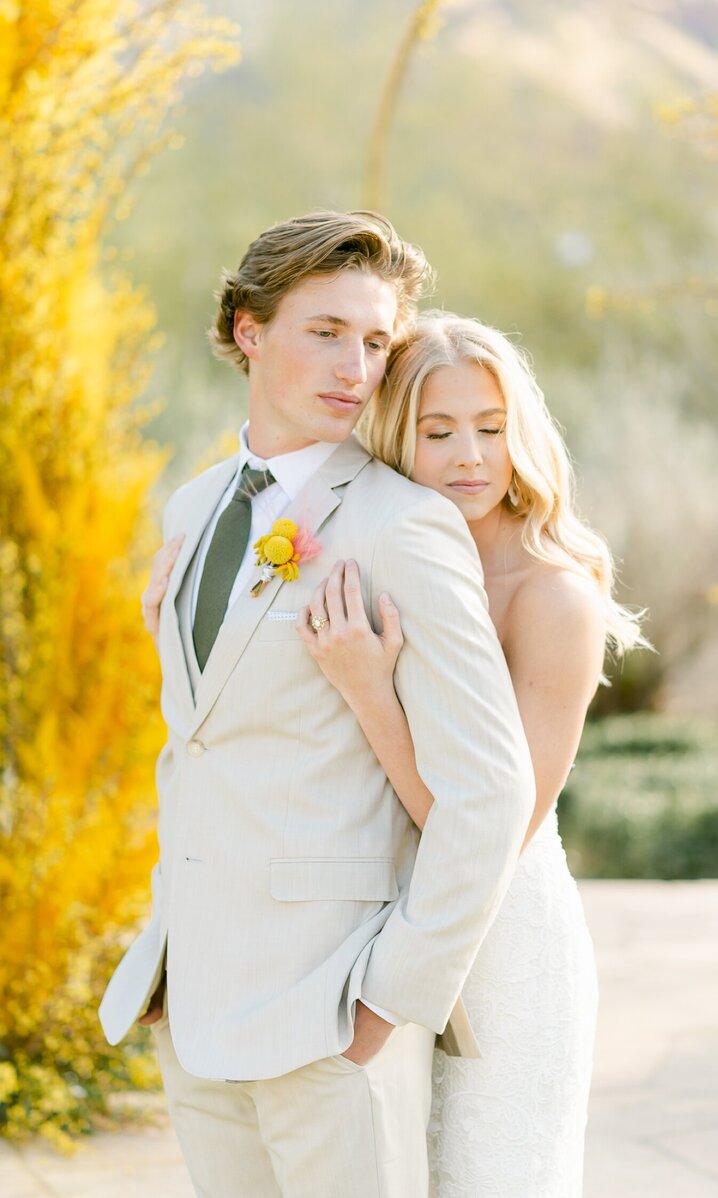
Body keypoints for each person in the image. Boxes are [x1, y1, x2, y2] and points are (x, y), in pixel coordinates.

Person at [99, 213, 535, 1198]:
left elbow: (490, 792)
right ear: (249, 331)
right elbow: (208, 737)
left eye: (375, 341)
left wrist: (389, 999)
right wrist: (170, 953)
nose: (355, 365)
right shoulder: (192, 507)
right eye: (326, 331)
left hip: (332, 1011)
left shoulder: (404, 525)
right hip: (197, 997)